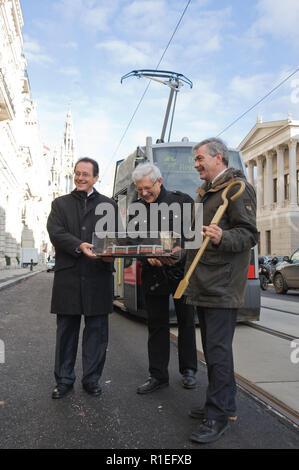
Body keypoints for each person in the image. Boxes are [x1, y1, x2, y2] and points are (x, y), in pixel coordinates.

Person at [184, 138, 258, 444]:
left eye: (200, 158)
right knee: (214, 353)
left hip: (221, 285)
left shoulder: (237, 189)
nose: (196, 164)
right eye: (196, 159)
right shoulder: (207, 192)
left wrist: (221, 237)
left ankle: (218, 416)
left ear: (219, 158)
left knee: (217, 353)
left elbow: (249, 234)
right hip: (206, 282)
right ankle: (220, 404)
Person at [47, 157, 117, 399]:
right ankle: (64, 380)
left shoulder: (109, 205)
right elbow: (56, 233)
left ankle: (92, 379)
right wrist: (78, 245)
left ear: (96, 178)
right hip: (69, 278)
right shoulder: (60, 204)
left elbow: (117, 238)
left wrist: (112, 255)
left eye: (86, 174)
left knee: (96, 333)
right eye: (77, 173)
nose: (80, 177)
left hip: (98, 276)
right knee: (66, 332)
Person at [131, 162, 198, 394]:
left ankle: (189, 370)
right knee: (156, 326)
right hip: (153, 274)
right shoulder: (136, 207)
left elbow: (194, 238)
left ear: (159, 181)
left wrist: (180, 253)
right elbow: (132, 241)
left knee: (186, 322)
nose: (144, 193)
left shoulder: (184, 201)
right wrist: (145, 256)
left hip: (181, 273)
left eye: (147, 188)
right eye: (139, 190)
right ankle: (158, 375)